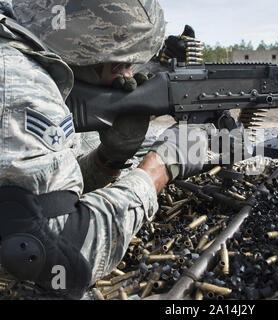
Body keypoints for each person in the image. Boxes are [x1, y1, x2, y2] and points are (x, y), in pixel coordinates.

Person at [0, 0, 207, 299]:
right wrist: (158, 170)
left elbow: (42, 200)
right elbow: (50, 256)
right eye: (120, 64)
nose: (125, 77)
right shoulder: (20, 85)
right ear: (85, 48)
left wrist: (108, 159)